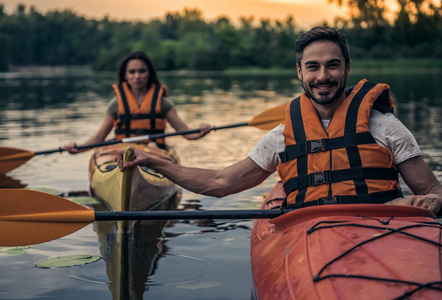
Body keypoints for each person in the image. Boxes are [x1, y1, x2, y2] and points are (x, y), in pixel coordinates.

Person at [116, 26, 442, 215]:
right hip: (309, 233)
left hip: (380, 229)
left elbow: (432, 191)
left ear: (347, 68)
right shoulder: (281, 136)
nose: (323, 76)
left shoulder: (384, 126)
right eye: (313, 67)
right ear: (299, 71)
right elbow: (219, 183)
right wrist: (153, 162)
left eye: (332, 65)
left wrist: (428, 203)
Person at [64, 51, 211, 153]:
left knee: (153, 145)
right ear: (125, 75)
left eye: (142, 71)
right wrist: (77, 149)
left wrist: (202, 131)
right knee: (119, 150)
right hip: (122, 149)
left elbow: (186, 132)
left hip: (153, 149)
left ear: (149, 74)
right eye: (132, 72)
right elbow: (99, 138)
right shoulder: (116, 104)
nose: (137, 76)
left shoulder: (163, 103)